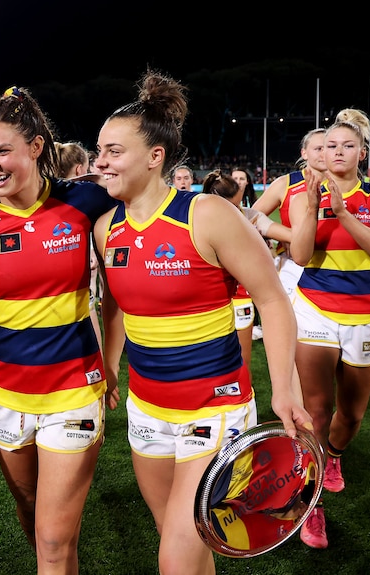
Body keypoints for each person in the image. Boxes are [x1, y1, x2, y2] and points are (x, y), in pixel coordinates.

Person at [92, 69, 311, 575]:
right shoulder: (108, 228)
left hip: (213, 408)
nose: (100, 161)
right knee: (186, 543)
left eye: (113, 150)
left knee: (175, 557)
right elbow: (118, 305)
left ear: (155, 157)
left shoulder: (207, 214)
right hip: (146, 408)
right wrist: (108, 364)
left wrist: (284, 390)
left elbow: (273, 302)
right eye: (98, 150)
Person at [0, 87, 120, 574]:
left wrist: (111, 360)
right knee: (32, 514)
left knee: (52, 538)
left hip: (74, 389)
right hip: (6, 393)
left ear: (37, 147)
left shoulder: (86, 201)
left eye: (2, 151)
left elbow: (121, 288)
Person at [289, 108, 370, 550]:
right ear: (321, 151)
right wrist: (315, 208)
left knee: (350, 415)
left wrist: (344, 213)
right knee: (317, 412)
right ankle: (312, 506)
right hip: (315, 308)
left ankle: (332, 458)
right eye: (330, 145)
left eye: (347, 145)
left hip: (368, 313)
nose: (337, 151)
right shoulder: (303, 192)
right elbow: (298, 255)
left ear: (361, 151)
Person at [200, 169, 292, 389]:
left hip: (240, 299)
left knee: (242, 364)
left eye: (239, 205)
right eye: (232, 207)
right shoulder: (194, 220)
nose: (237, 211)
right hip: (205, 303)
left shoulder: (249, 215)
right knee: (205, 366)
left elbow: (290, 236)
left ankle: (242, 412)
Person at [252, 128, 328, 301]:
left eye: (328, 148)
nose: (324, 153)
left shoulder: (342, 186)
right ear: (304, 153)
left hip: (333, 264)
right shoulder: (286, 184)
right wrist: (285, 236)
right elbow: (251, 216)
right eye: (318, 149)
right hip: (293, 265)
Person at [55, 140, 105, 350]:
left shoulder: (43, 199)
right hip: (78, 279)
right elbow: (105, 183)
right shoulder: (84, 199)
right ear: (79, 169)